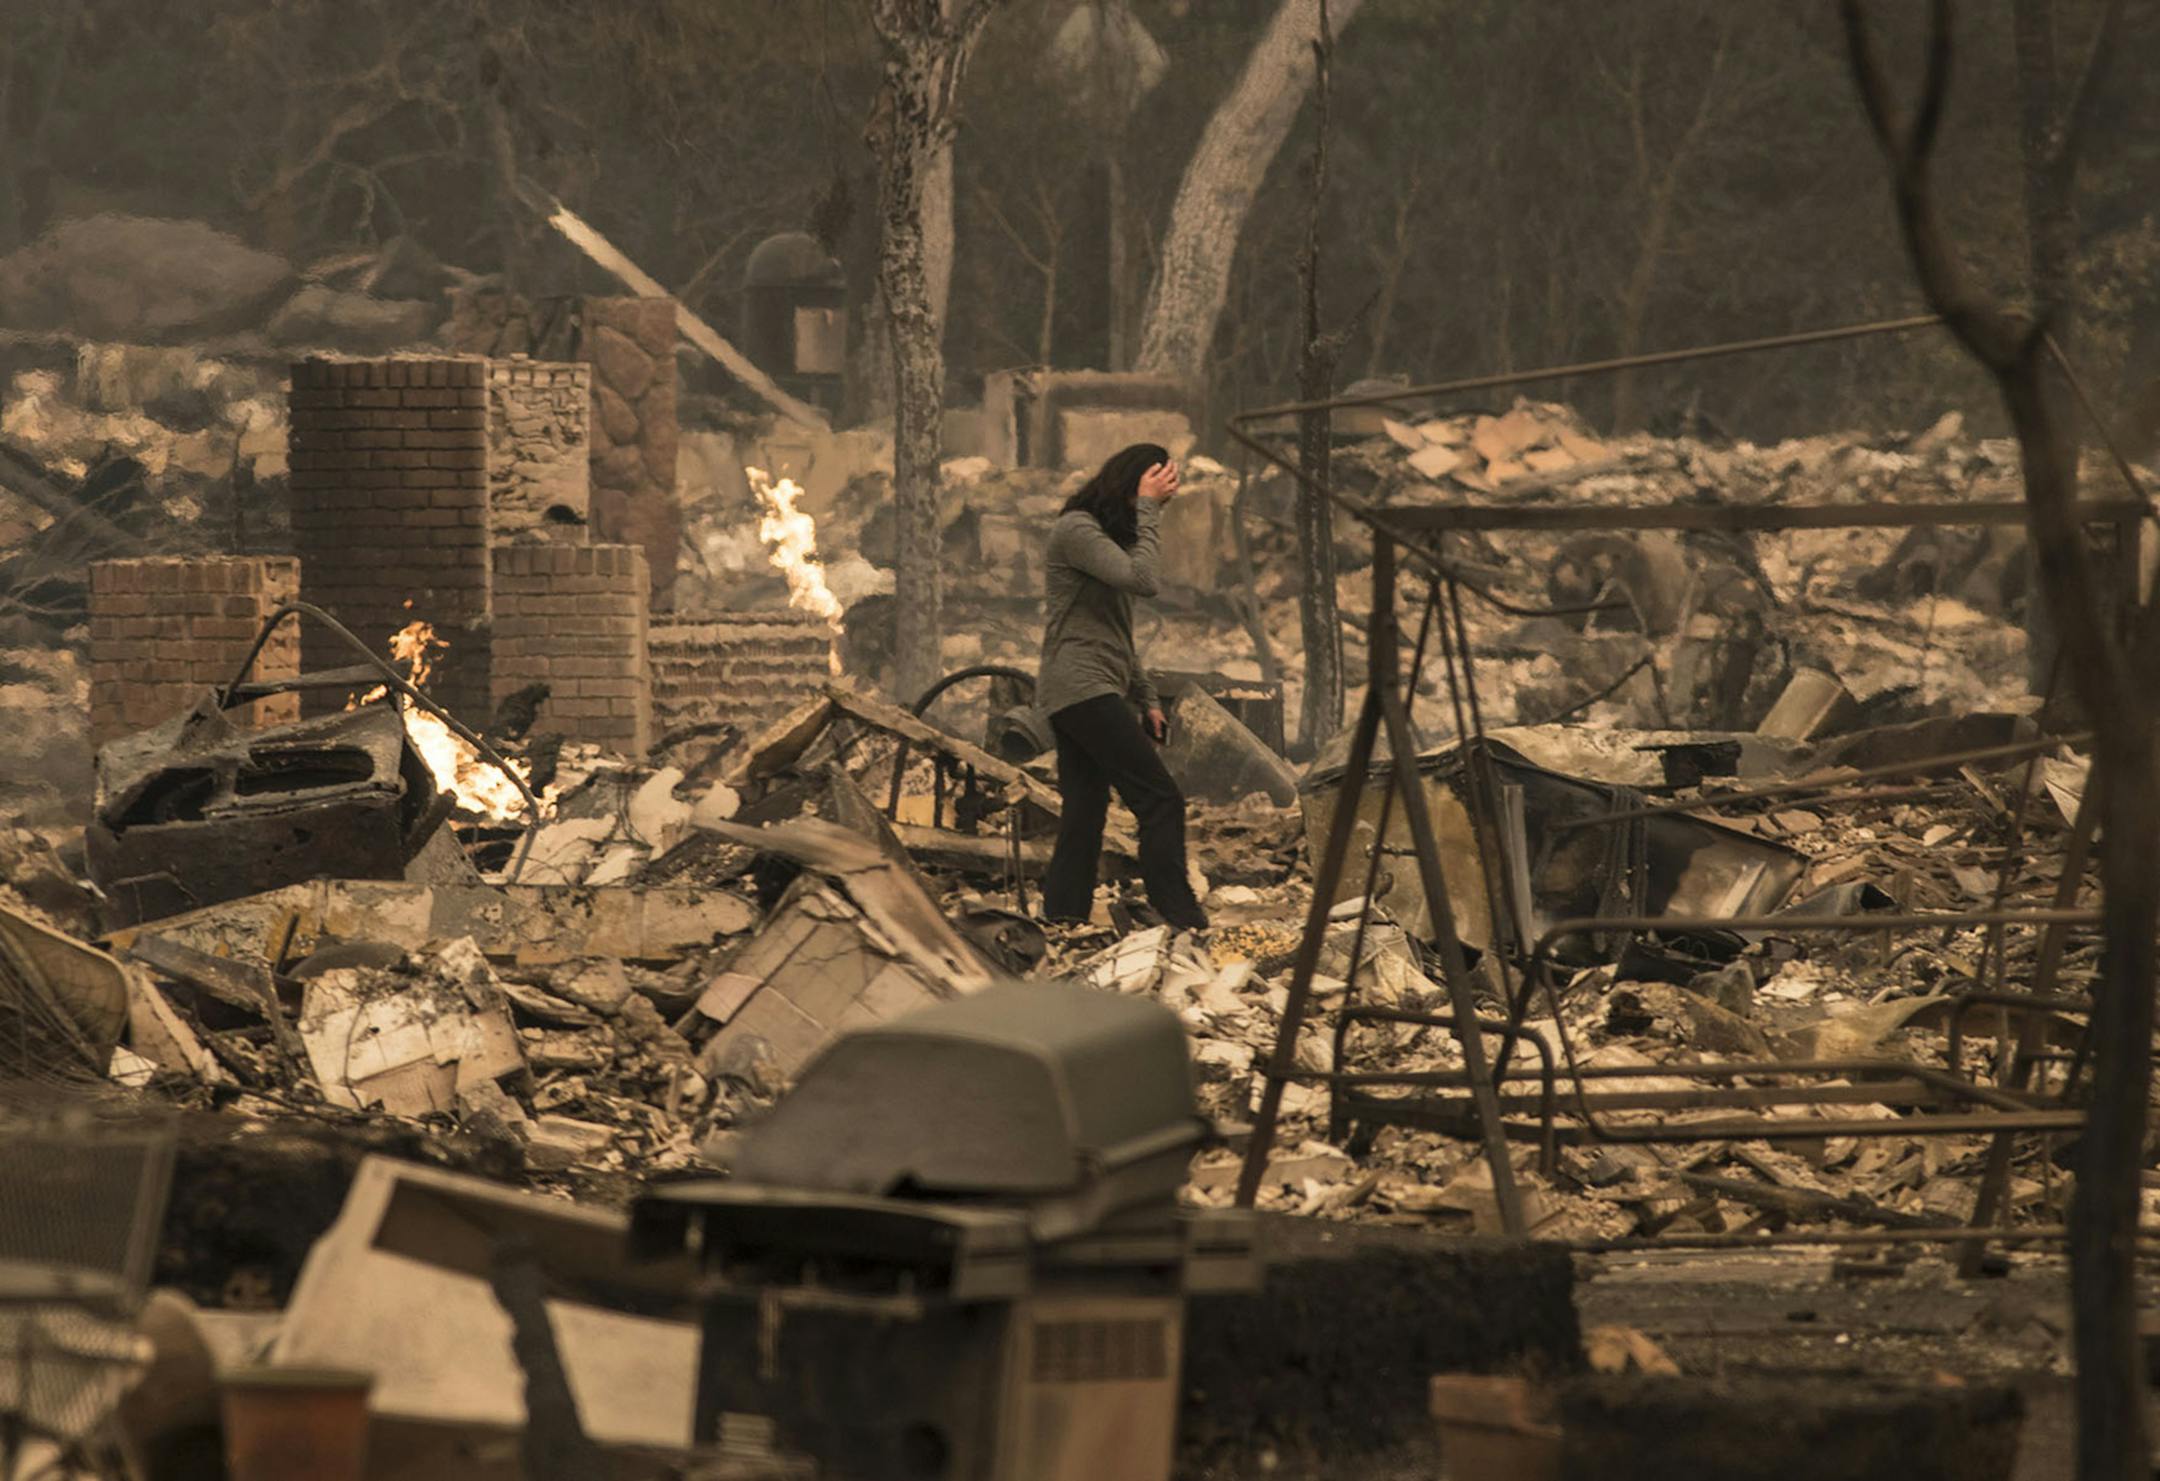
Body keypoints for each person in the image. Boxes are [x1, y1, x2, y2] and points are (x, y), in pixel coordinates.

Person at [1036, 442, 1209, 933]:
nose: (1148, 515)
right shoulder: (1077, 530)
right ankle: (1179, 916)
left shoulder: (1105, 544)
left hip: (1090, 687)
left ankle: (1062, 917)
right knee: (1160, 799)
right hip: (1080, 685)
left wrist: (1148, 699)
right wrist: (1151, 509)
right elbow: (1144, 580)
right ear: (1125, 488)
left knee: (1086, 810)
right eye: (1145, 499)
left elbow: (1118, 633)